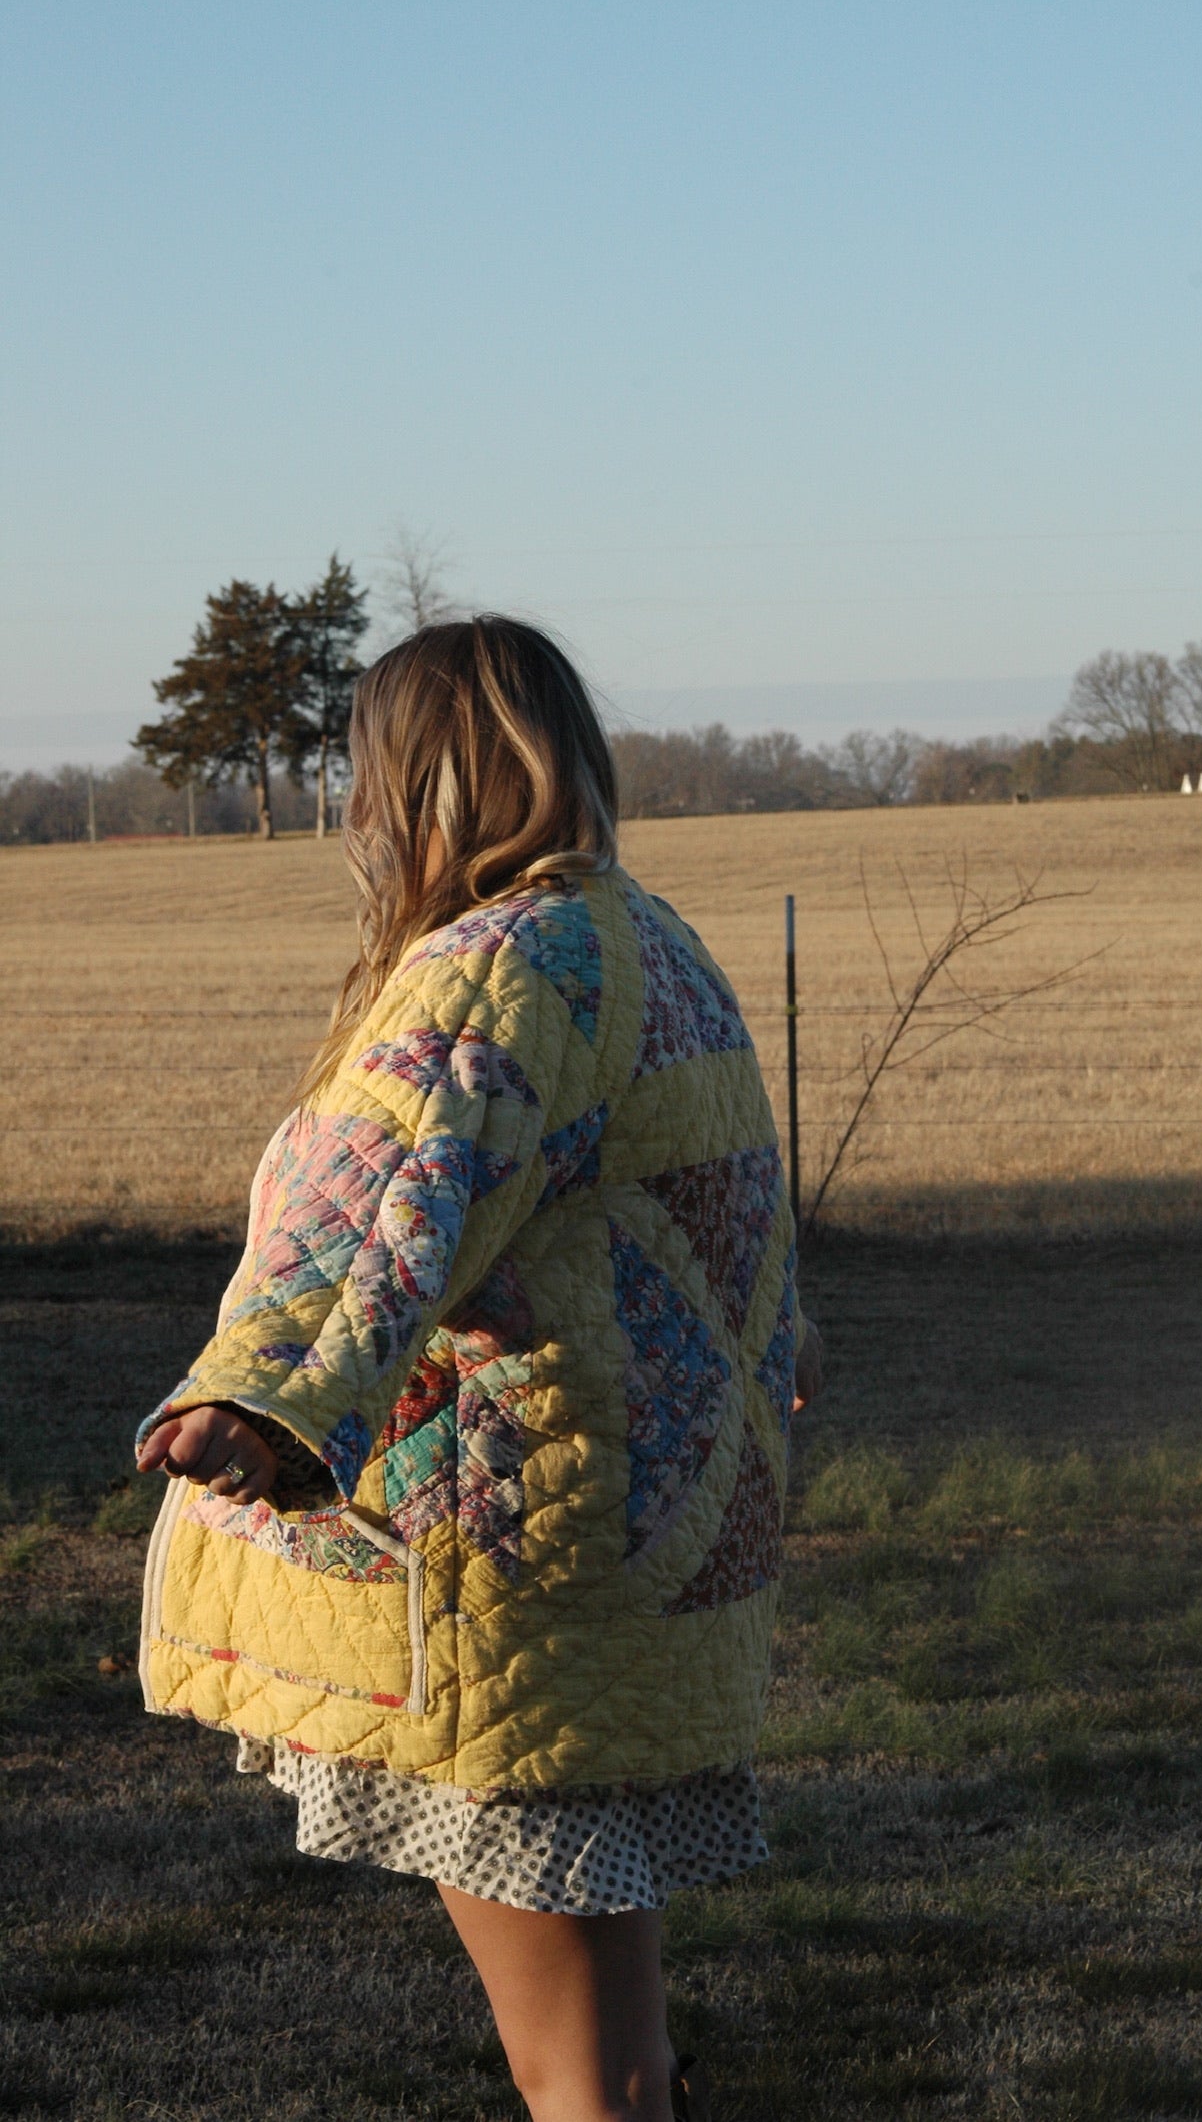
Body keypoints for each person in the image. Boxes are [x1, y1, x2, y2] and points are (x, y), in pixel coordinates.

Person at [136, 616, 823, 2122]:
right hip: (646, 1554)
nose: (355, 813)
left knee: (568, 2071)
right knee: (619, 2060)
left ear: (418, 781)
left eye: (364, 775)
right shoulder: (653, 941)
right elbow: (740, 1225)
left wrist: (264, 1399)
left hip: (503, 1582)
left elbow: (378, 1211)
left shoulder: (500, 965)